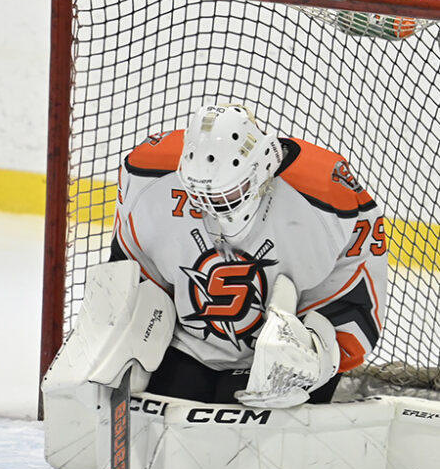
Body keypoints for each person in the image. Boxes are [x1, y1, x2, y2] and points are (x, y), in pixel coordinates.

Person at [111, 101, 389, 408]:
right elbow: (129, 269)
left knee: (263, 432)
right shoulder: (148, 175)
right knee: (163, 414)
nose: (212, 205)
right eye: (200, 195)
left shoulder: (326, 196)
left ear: (261, 169)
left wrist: (315, 352)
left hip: (282, 356)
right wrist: (119, 331)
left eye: (226, 193)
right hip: (185, 345)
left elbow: (357, 288)